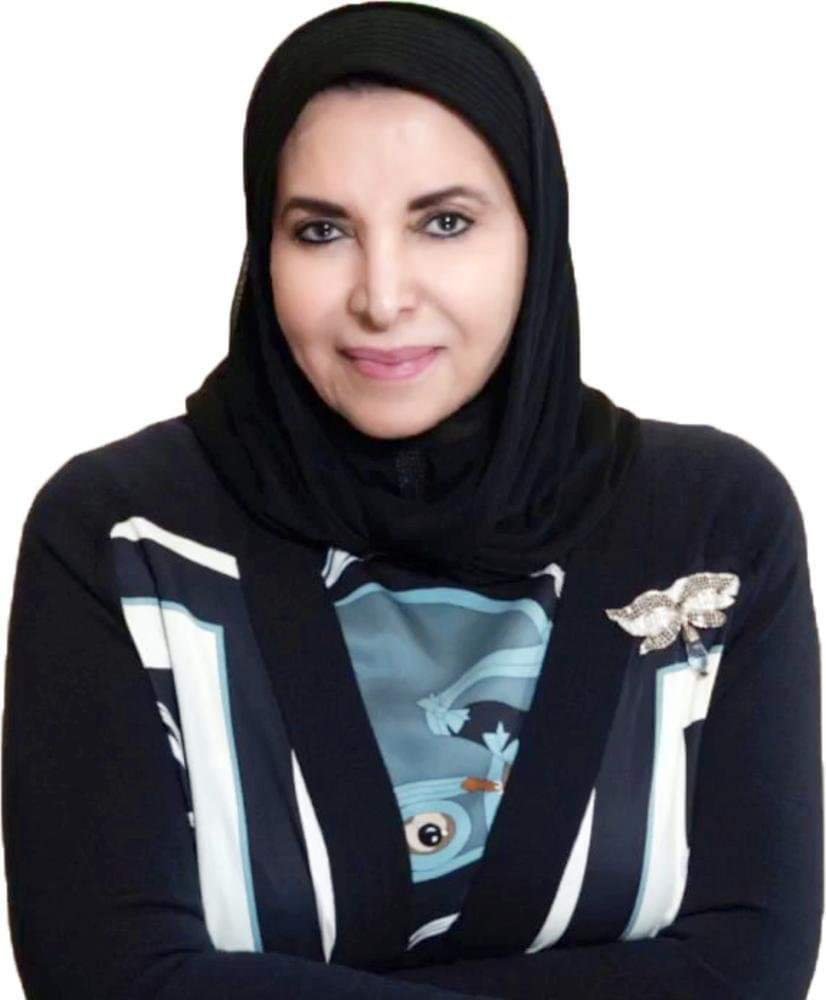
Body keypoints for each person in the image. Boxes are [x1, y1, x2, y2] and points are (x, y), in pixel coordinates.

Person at [2, 2, 822, 998]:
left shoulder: (708, 523)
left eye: (444, 223)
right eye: (321, 230)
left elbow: (746, 970)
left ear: (536, 235)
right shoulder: (128, 535)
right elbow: (108, 979)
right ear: (265, 248)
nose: (381, 296)